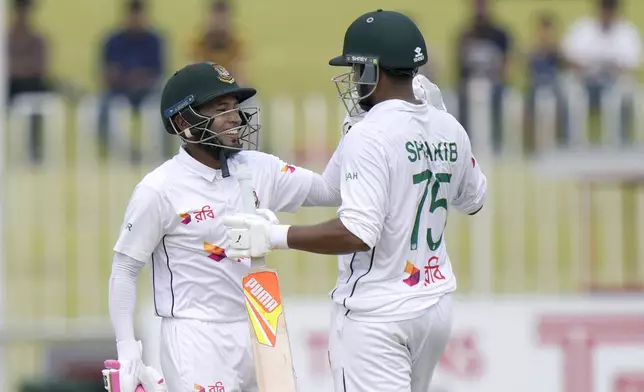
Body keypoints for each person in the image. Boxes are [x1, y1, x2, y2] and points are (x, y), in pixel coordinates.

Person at [224, 9, 488, 392]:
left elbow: (358, 233)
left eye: (355, 69)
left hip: (377, 313)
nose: (351, 80)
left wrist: (274, 236)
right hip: (434, 304)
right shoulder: (449, 126)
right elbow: (474, 199)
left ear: (373, 71)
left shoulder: (372, 134)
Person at [107, 62, 344, 392]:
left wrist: (359, 130)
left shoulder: (258, 167)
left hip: (261, 326)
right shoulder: (159, 188)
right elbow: (125, 268)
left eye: (235, 107)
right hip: (196, 336)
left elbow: (332, 191)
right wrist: (127, 349)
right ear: (183, 121)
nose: (236, 117)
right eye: (222, 108)